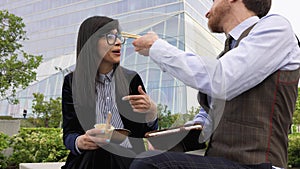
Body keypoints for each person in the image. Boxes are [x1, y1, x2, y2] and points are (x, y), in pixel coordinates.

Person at [130, 0, 300, 169]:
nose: (207, 12)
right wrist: (171, 140)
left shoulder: (276, 28)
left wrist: (157, 47)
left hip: (259, 164)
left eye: (213, 1)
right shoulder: (225, 56)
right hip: (220, 161)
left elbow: (222, 79)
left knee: (150, 164)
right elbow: (206, 121)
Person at [61, 16, 158, 169]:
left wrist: (151, 113)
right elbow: (69, 132)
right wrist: (79, 141)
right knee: (100, 151)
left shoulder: (131, 79)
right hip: (89, 157)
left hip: (127, 157)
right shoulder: (72, 82)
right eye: (110, 37)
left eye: (118, 36)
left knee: (108, 151)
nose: (118, 42)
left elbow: (144, 132)